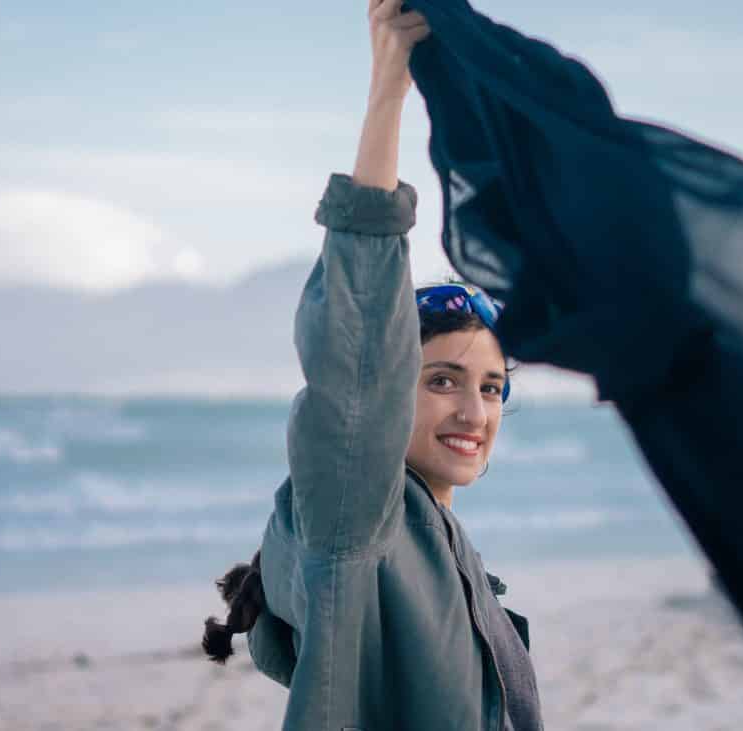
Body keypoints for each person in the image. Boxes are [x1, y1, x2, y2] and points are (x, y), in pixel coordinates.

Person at [200, 1, 543, 729]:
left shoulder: (456, 559)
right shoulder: (359, 514)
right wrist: (389, 86)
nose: (474, 412)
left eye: (491, 387)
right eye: (442, 380)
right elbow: (356, 356)